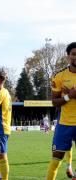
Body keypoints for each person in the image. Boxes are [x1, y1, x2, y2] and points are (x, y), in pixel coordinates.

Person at [46, 42, 76, 180]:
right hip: (64, 124)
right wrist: (69, 96)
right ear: (68, 56)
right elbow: (54, 102)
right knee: (56, 158)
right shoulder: (59, 76)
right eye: (73, 54)